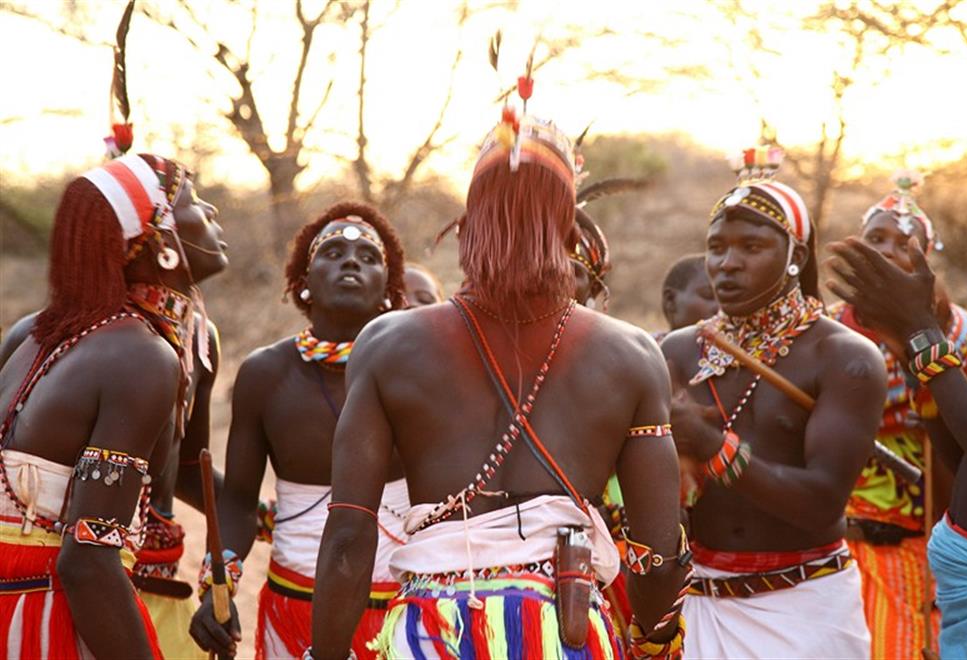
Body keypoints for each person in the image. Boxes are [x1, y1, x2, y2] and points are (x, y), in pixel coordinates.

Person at [309, 97, 690, 659]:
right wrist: (657, 645)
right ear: (568, 222)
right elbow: (657, 553)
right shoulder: (629, 353)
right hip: (566, 631)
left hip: (434, 635)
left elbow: (348, 537)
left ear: (470, 219)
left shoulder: (389, 344)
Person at [660, 146, 886, 658]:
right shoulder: (675, 350)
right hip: (698, 604)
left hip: (807, 606)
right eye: (716, 247)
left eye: (751, 246)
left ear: (795, 257)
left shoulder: (844, 357)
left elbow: (822, 501)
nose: (728, 263)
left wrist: (710, 447)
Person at [0, 150, 222, 659]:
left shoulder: (33, 332)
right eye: (194, 200)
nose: (211, 213)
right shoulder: (141, 356)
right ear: (158, 240)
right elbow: (88, 561)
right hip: (46, 621)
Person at [188, 202, 408, 660]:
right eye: (332, 252)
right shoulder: (265, 374)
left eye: (369, 258)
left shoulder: (416, 372)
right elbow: (239, 503)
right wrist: (218, 583)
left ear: (389, 291)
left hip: (400, 613)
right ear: (302, 283)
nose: (351, 261)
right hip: (293, 607)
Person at [826, 172, 967, 659]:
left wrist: (916, 349)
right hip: (838, 536)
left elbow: (963, 435)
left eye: (904, 241)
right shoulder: (827, 328)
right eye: (876, 238)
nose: (889, 250)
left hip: (921, 529)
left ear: (925, 255)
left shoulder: (955, 329)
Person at [660, 254, 718, 332]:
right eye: (708, 295)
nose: (721, 308)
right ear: (670, 300)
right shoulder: (643, 343)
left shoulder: (734, 343)